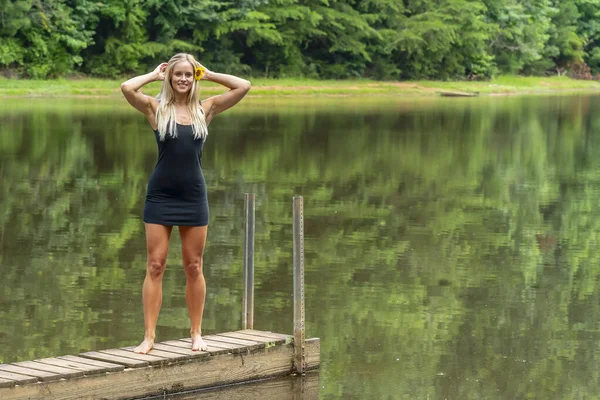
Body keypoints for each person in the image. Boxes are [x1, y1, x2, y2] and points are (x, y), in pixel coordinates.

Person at [120, 53, 251, 354]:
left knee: (194, 266)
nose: (183, 79)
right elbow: (128, 88)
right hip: (160, 195)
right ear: (170, 77)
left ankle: (196, 334)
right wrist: (153, 75)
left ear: (194, 78)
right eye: (177, 74)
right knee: (155, 265)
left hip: (193, 196)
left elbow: (243, 86)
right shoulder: (156, 108)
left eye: (188, 75)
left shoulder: (206, 109)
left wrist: (209, 72)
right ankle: (150, 337)